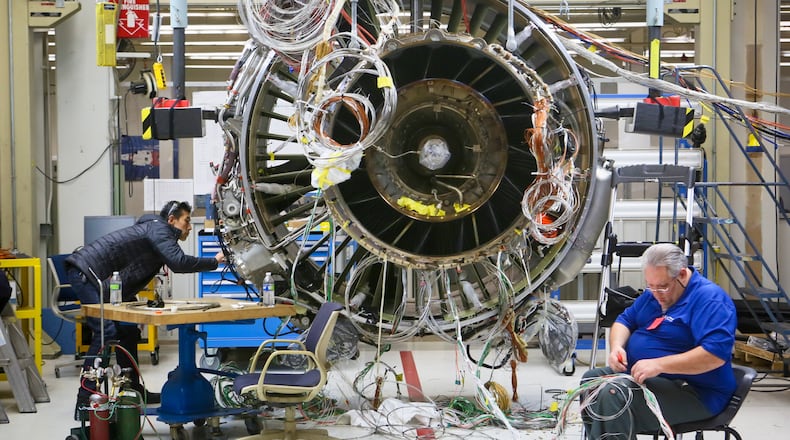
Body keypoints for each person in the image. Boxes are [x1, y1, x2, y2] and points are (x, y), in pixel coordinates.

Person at [65, 201, 224, 418]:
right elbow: (178, 262)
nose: (189, 227)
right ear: (171, 220)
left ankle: (132, 391)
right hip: (88, 273)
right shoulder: (159, 229)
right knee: (106, 332)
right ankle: (85, 401)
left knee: (129, 330)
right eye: (186, 221)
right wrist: (213, 261)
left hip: (106, 280)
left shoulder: (156, 231)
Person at [581, 242, 737, 439]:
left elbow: (714, 356)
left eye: (662, 287)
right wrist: (617, 348)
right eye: (651, 286)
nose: (656, 294)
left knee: (615, 393)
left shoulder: (709, 300)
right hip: (652, 379)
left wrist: (659, 365)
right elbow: (625, 320)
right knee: (592, 381)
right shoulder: (654, 294)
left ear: (682, 274)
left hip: (694, 391)